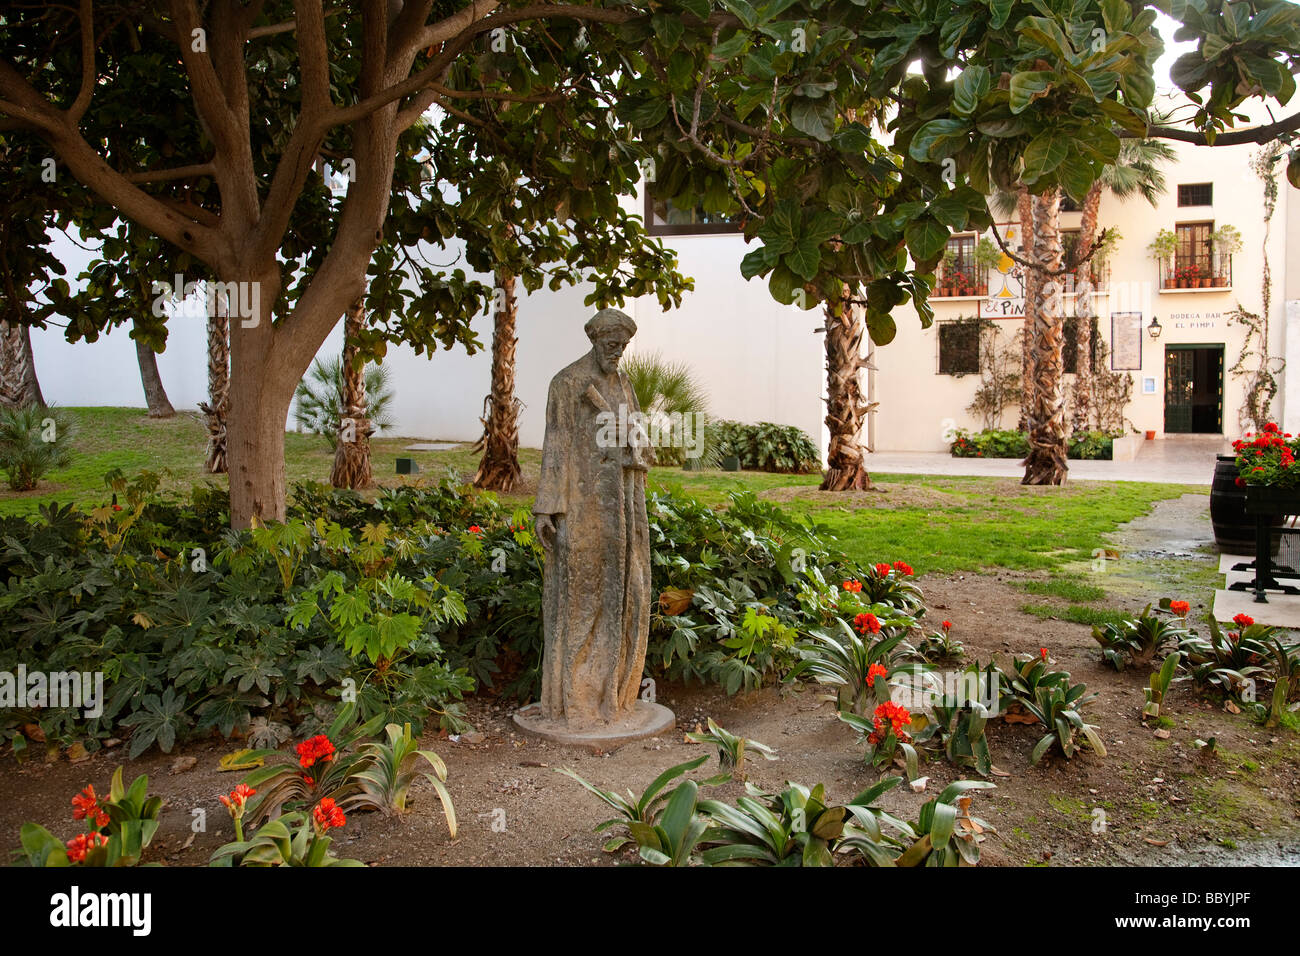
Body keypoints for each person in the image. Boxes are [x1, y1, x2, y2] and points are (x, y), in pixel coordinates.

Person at [532, 308, 651, 727]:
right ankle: (575, 699)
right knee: (582, 597)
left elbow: (642, 446)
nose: (617, 353)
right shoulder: (566, 384)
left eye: (623, 346)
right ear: (595, 341)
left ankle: (612, 696)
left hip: (621, 507)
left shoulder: (622, 385)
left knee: (622, 593)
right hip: (582, 510)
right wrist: (547, 507)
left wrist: (633, 442)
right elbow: (556, 444)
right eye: (611, 345)